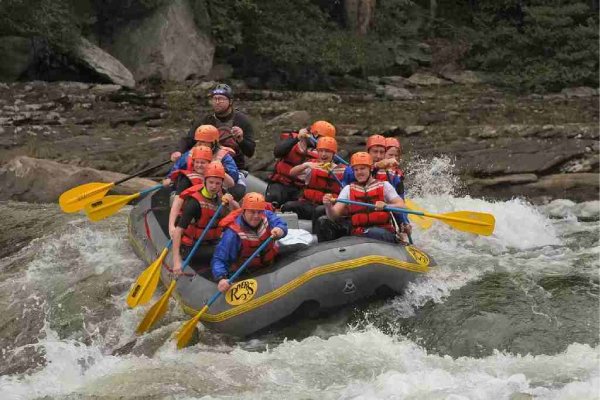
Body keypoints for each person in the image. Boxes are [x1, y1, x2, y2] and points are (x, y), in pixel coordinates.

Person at [319, 152, 409, 244]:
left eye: (362, 168)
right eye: (356, 170)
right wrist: (328, 206)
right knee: (323, 221)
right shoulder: (348, 189)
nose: (359, 172)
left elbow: (402, 206)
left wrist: (386, 205)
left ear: (370, 169)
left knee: (374, 232)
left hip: (382, 232)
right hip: (358, 234)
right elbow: (333, 216)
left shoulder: (385, 186)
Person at [171, 162, 240, 277]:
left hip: (213, 242)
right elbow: (178, 231)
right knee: (223, 256)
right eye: (211, 182)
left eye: (218, 183)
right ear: (205, 181)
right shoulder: (194, 203)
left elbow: (237, 214)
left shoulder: (221, 197)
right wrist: (176, 260)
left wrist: (231, 202)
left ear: (222, 184)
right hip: (193, 247)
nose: (214, 186)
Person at [212, 192, 287, 293]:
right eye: (252, 212)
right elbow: (219, 259)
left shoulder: (267, 215)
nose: (256, 216)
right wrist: (221, 278)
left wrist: (280, 229)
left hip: (269, 263)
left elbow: (280, 223)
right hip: (247, 273)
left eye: (259, 212)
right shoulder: (232, 234)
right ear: (244, 211)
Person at [170, 83, 256, 172]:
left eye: (221, 99)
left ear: (230, 101)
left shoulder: (242, 120)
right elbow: (189, 139)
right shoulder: (206, 120)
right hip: (207, 165)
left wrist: (241, 140)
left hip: (234, 167)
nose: (217, 102)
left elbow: (250, 152)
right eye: (215, 99)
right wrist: (179, 151)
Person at [266, 120, 336, 207]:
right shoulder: (294, 139)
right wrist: (297, 139)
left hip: (300, 190)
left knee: (294, 205)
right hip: (281, 184)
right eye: (321, 138)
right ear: (313, 134)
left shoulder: (325, 154)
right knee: (274, 197)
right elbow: (277, 152)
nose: (324, 142)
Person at [167, 124, 244, 199]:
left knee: (234, 192)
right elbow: (178, 165)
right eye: (198, 141)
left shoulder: (223, 155)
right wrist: (170, 177)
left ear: (213, 143)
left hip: (216, 184)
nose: (200, 144)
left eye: (204, 142)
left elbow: (234, 174)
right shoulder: (192, 152)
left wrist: (222, 169)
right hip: (197, 182)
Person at [280, 136, 345, 224]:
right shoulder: (311, 165)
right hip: (309, 204)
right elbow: (292, 173)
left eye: (327, 151)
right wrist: (305, 165)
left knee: (319, 211)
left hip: (327, 207)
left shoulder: (342, 170)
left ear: (333, 153)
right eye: (321, 151)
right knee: (288, 206)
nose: (323, 154)